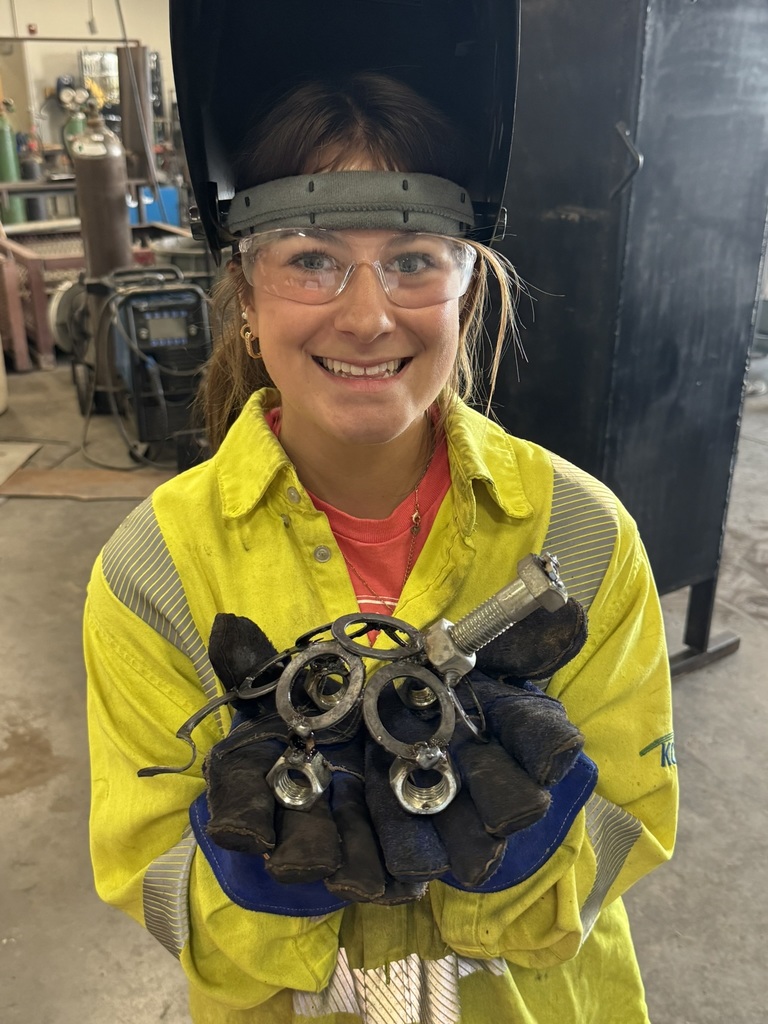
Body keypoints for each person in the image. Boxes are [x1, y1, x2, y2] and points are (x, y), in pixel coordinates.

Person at [84, 73, 678, 1024]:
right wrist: (257, 880)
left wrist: (527, 847)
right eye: (312, 259)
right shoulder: (156, 571)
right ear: (244, 296)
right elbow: (148, 873)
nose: (366, 316)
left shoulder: (580, 534)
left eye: (411, 260)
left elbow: (631, 824)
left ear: (467, 284)